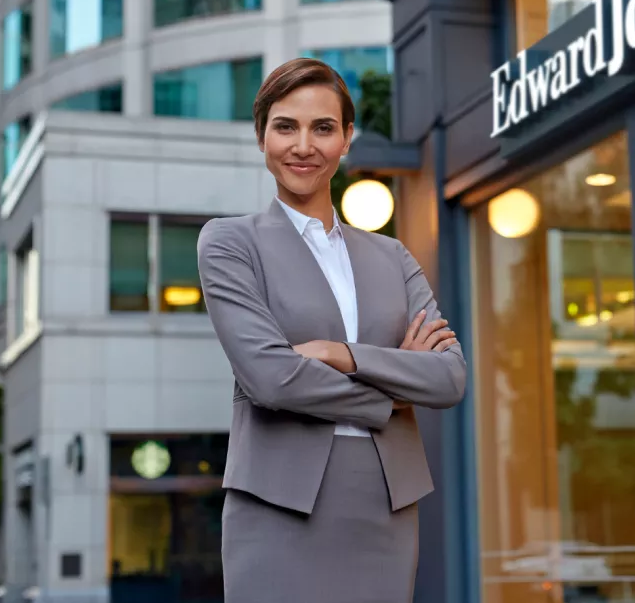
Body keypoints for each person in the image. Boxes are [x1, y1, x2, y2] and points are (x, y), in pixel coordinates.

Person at [196, 58, 467, 602]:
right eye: (285, 126)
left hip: (385, 505)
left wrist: (342, 354)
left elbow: (448, 379)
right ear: (262, 137)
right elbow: (271, 379)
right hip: (279, 505)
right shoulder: (229, 243)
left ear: (347, 140)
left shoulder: (392, 255)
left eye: (323, 128)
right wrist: (390, 395)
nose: (303, 145)